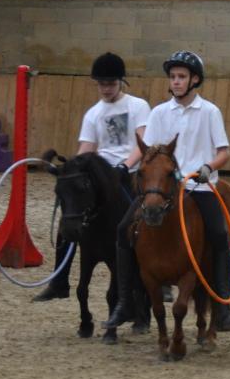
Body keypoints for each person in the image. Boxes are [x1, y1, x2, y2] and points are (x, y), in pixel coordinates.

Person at [105, 50, 230, 332]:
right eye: (173, 77)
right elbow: (149, 151)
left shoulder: (209, 112)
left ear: (194, 80)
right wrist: (133, 169)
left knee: (219, 235)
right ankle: (126, 303)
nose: (176, 82)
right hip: (164, 186)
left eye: (181, 77)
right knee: (122, 231)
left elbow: (224, 152)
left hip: (199, 185)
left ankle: (224, 309)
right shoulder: (159, 113)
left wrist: (208, 167)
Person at [34, 51, 150, 302]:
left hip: (127, 173)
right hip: (100, 176)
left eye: (110, 83)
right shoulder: (93, 114)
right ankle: (59, 281)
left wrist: (124, 166)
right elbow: (85, 150)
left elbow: (143, 143)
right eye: (101, 84)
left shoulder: (138, 106)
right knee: (70, 221)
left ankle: (154, 280)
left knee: (142, 221)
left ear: (121, 82)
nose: (106, 89)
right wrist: (71, 172)